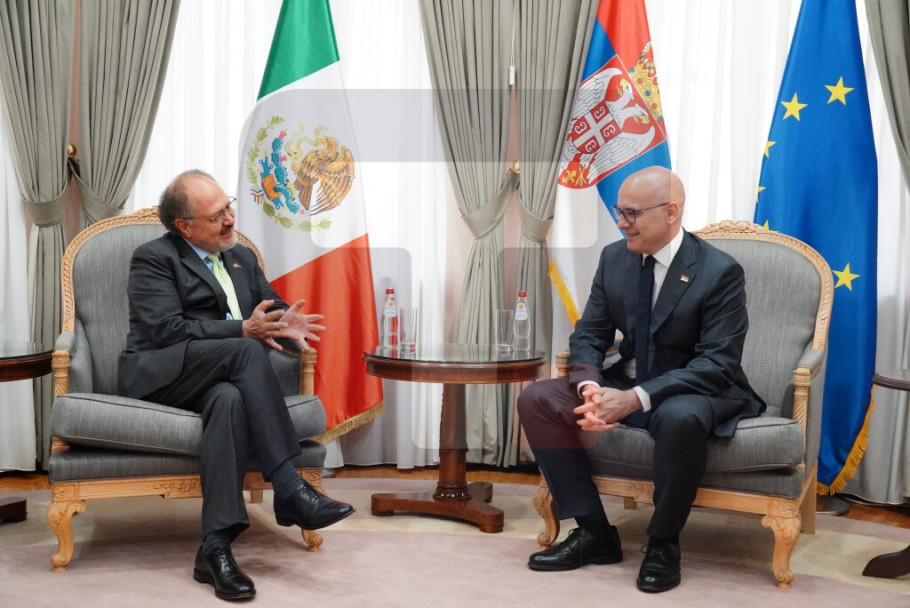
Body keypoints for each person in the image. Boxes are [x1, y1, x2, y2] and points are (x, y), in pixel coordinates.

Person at [518, 166, 764, 593]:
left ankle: (664, 543)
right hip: (629, 379)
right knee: (537, 398)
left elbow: (717, 364)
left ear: (671, 212)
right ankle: (595, 531)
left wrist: (634, 398)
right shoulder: (615, 258)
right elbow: (589, 335)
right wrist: (591, 388)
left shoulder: (719, 271)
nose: (621, 222)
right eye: (620, 211)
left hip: (695, 388)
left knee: (679, 417)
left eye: (632, 213)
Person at [118, 169, 354, 601]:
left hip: (218, 379)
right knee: (245, 349)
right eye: (216, 216)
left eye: (228, 207)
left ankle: (215, 548)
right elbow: (166, 329)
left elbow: (270, 309)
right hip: (161, 375)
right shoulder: (154, 258)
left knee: (228, 399)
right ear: (184, 226)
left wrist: (286, 324)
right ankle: (288, 488)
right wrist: (242, 330)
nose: (229, 219)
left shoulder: (241, 256)